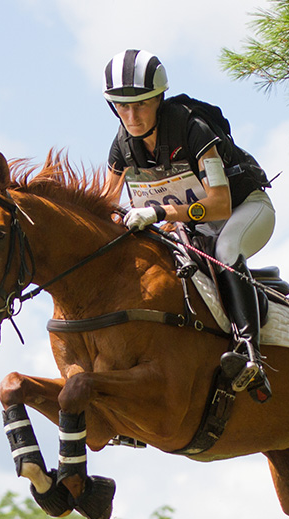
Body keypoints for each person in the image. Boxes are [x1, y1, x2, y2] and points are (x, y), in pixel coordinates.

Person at [102, 48, 276, 403]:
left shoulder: (191, 129)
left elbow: (219, 203)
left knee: (226, 249)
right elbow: (106, 206)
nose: (131, 116)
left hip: (244, 210)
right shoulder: (121, 148)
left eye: (141, 105)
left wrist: (160, 214)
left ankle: (249, 354)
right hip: (194, 229)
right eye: (122, 107)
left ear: (159, 99)